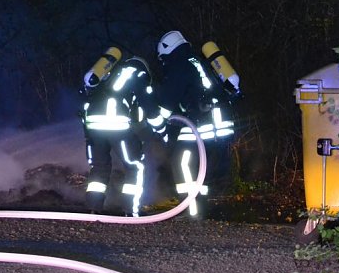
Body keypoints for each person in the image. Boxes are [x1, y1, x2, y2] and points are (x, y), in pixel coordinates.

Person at [154, 30, 236, 217]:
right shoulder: (198, 61)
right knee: (202, 167)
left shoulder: (179, 65)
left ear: (167, 50)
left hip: (203, 124)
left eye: (163, 58)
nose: (163, 63)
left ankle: (192, 212)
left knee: (181, 161)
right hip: (221, 123)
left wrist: (158, 125)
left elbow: (168, 100)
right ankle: (202, 210)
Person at [80, 49, 157, 216]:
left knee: (99, 167)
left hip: (92, 125)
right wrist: (160, 126)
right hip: (116, 124)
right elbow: (146, 103)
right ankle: (131, 211)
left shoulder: (108, 73)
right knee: (134, 166)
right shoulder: (138, 73)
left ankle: (93, 209)